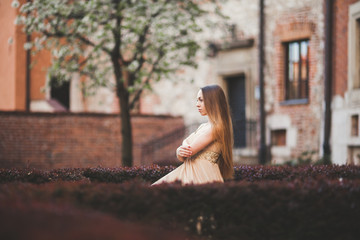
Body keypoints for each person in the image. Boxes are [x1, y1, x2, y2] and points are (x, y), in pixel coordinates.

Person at [152, 84, 234, 185]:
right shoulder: (203, 127)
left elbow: (189, 150)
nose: (197, 104)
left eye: (201, 100)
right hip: (189, 172)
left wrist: (183, 148)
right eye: (197, 100)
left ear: (213, 101)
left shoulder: (217, 127)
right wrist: (179, 151)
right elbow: (184, 151)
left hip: (202, 175)